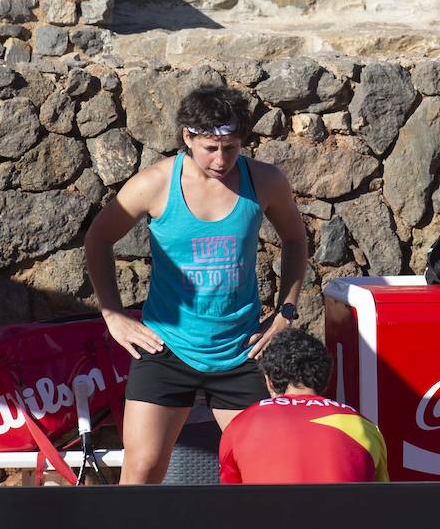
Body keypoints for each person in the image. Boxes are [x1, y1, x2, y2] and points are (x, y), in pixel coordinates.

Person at [84, 84, 308, 484]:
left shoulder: (265, 181)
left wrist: (285, 313)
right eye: (210, 148)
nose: (221, 159)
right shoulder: (153, 184)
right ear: (187, 136)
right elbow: (98, 239)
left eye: (231, 147)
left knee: (271, 472)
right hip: (166, 347)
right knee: (141, 471)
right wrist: (113, 315)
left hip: (242, 350)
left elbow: (295, 239)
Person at [219, 328, 388, 484]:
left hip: (268, 515)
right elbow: (381, 500)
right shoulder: (364, 426)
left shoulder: (241, 424)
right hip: (341, 515)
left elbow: (230, 501)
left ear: (269, 381)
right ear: (325, 379)